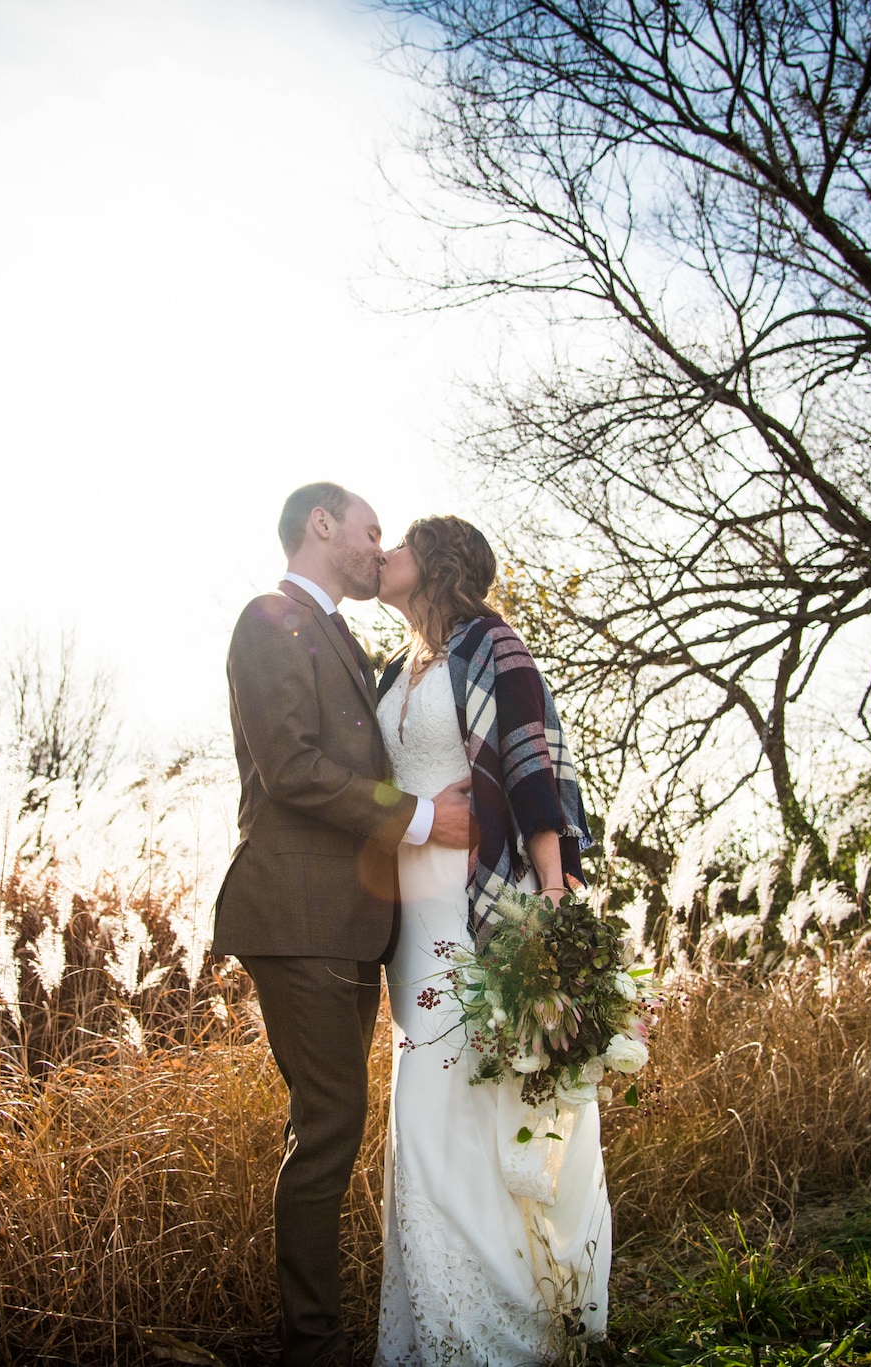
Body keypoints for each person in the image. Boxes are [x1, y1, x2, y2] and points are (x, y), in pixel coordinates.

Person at [214, 482, 473, 1367]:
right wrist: (419, 819)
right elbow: (290, 766)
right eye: (368, 531)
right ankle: (313, 1349)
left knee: (334, 1123)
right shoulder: (268, 619)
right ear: (321, 526)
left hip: (351, 923)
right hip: (298, 915)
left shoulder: (347, 639)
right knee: (327, 1127)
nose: (377, 547)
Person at [372, 514, 609, 1365]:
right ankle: (438, 1319)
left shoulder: (491, 643)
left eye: (397, 544)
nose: (383, 556)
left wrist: (551, 889)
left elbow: (529, 763)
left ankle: (505, 1329)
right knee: (424, 1105)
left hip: (481, 906)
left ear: (435, 565)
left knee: (477, 1098)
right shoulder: (394, 666)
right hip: (408, 916)